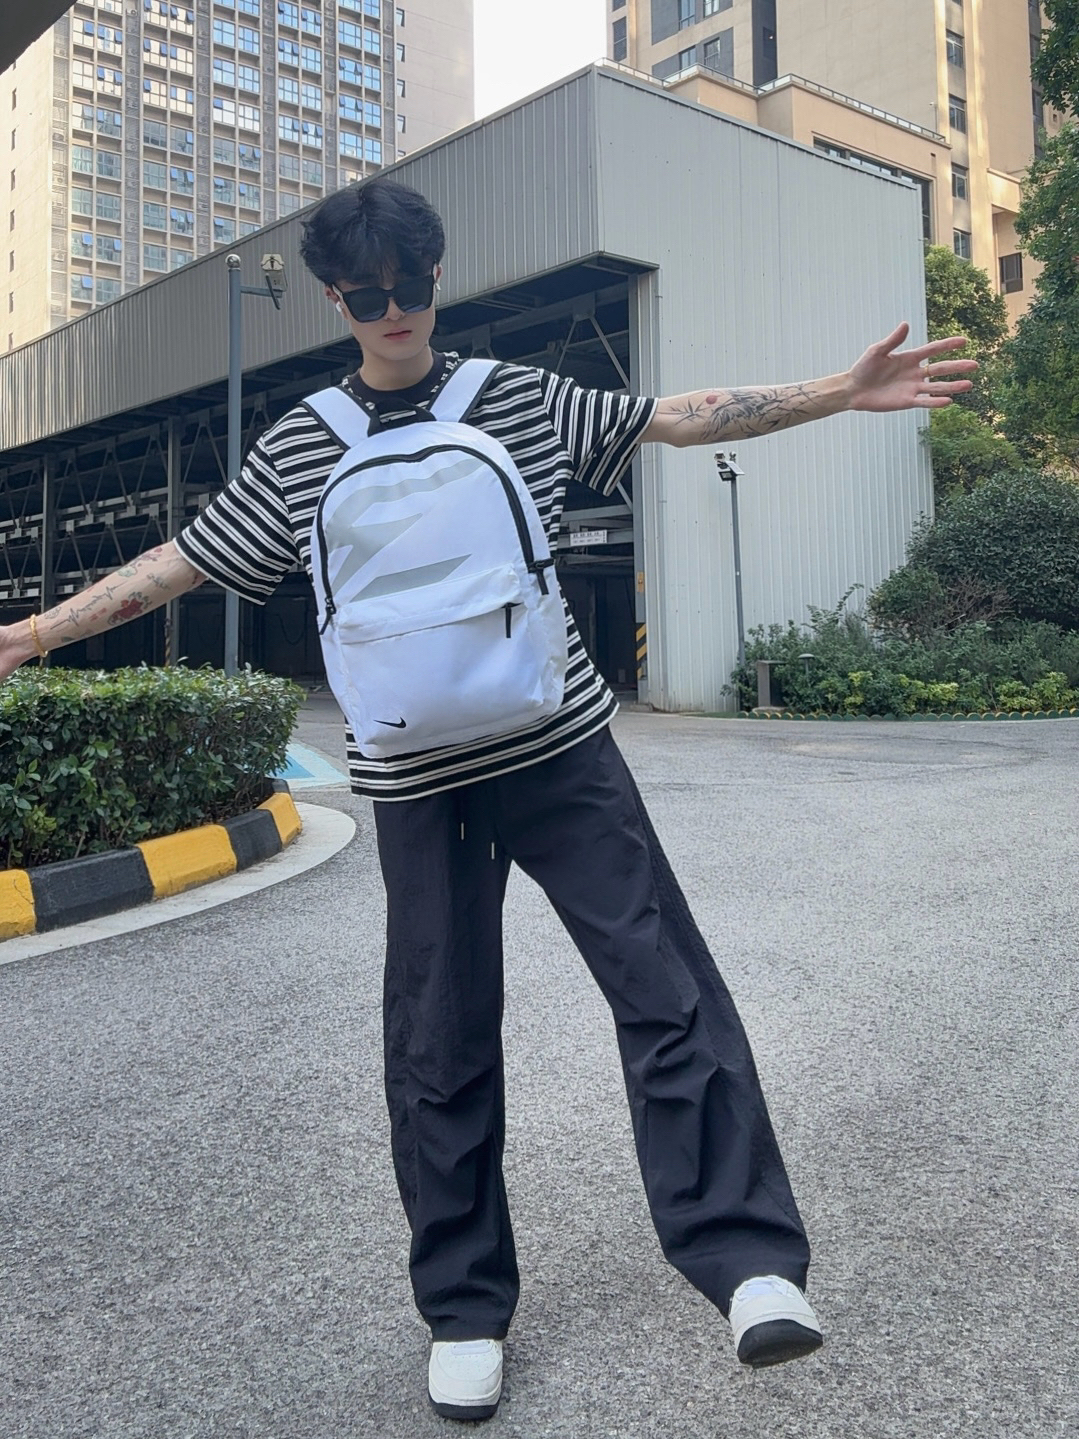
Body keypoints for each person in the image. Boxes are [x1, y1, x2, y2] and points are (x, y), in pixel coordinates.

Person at [0, 178, 976, 1423]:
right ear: (335, 298)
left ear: (436, 276)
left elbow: (672, 417)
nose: (393, 311)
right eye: (367, 294)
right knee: (438, 1034)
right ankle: (464, 1308)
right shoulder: (300, 442)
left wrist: (836, 392)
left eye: (410, 285)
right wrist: (33, 632)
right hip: (418, 778)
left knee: (662, 988)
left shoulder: (514, 396)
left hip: (557, 747)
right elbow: (185, 557)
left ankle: (747, 1263)